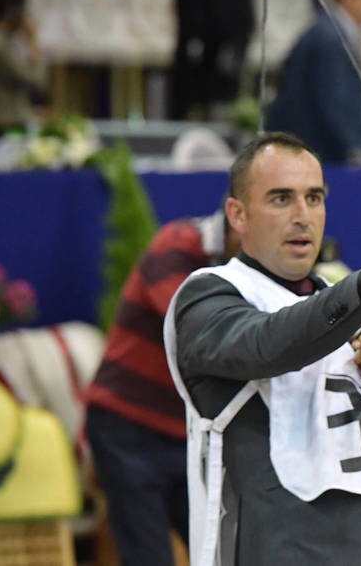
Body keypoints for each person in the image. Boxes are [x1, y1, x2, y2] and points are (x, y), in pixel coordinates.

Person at [166, 132, 361, 565]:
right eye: (281, 199)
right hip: (300, 548)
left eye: (314, 198)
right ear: (237, 215)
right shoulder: (207, 297)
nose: (303, 216)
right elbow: (270, 343)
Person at [84, 210, 239, 566]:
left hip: (185, 435)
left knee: (218, 554)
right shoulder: (176, 245)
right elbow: (200, 335)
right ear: (238, 219)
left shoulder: (245, 267)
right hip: (125, 426)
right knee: (148, 557)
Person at [267, 0, 361, 164]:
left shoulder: (332, 30)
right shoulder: (331, 37)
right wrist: (354, 148)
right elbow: (333, 99)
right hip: (323, 154)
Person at [0, 0, 47, 134]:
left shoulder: (6, 42)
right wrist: (33, 41)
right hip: (6, 124)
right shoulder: (1, 45)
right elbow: (36, 82)